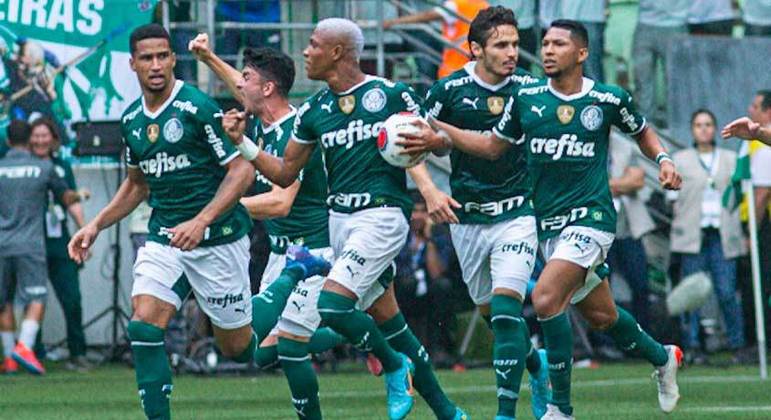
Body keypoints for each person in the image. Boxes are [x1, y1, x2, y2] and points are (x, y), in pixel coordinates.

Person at [398, 20, 684, 419]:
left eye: (558, 44)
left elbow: (643, 131)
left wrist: (665, 160)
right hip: (545, 224)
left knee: (546, 297)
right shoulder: (527, 101)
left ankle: (558, 410)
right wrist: (438, 131)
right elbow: (490, 146)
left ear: (582, 53)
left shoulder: (607, 98)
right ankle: (663, 356)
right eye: (545, 43)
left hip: (590, 218)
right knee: (602, 316)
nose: (546, 50)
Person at [66, 24, 328, 420]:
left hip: (219, 239)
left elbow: (241, 170)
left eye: (163, 56)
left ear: (173, 59)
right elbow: (136, 185)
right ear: (132, 64)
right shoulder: (132, 119)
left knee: (240, 348)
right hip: (165, 237)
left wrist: (203, 220)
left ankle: (293, 273)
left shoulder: (198, 108)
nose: (155, 65)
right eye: (147, 58)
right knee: (143, 328)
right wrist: (94, 225)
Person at [220, 17, 468, 420]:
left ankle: (391, 365)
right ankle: (448, 411)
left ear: (337, 52)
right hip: (341, 225)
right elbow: (283, 173)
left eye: (314, 44)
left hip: (381, 218)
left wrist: (433, 141)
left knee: (334, 305)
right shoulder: (315, 111)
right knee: (392, 325)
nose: (306, 51)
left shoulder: (389, 94)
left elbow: (439, 139)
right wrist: (243, 143)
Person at [189, 35, 347, 418]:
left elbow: (281, 201)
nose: (239, 84)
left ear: (268, 88)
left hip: (313, 252)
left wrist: (219, 209)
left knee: (290, 348)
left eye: (247, 78)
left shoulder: (297, 132)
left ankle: (359, 335)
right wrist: (208, 57)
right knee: (258, 352)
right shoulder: (260, 125)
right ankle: (356, 333)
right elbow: (240, 85)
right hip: (281, 254)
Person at [413, 6, 550, 420]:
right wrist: (431, 187)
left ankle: (505, 413)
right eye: (501, 45)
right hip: (467, 219)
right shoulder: (448, 90)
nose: (513, 52)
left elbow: (493, 144)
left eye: (515, 43)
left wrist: (442, 136)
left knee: (509, 307)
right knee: (496, 317)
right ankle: (535, 363)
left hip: (517, 214)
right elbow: (410, 140)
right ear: (475, 49)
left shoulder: (529, 88)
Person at [0, 119, 81, 375]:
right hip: (30, 246)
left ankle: (9, 359)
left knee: (5, 303)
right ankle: (24, 346)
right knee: (37, 297)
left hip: (2, 245)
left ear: (8, 141)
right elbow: (66, 198)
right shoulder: (44, 168)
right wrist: (84, 227)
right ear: (29, 140)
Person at [670, 109, 748, 364]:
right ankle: (692, 346)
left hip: (722, 233)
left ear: (715, 129)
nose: (703, 129)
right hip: (694, 234)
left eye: (708, 124)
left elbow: (740, 192)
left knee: (726, 291)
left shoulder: (729, 158)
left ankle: (737, 344)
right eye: (698, 125)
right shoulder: (680, 159)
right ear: (692, 130)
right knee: (693, 293)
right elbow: (671, 197)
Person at [28, 118, 91, 371]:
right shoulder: (22, 164)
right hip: (30, 242)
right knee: (33, 299)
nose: (41, 140)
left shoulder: (62, 165)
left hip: (59, 243)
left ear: (53, 139)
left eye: (45, 135)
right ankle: (33, 352)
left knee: (72, 298)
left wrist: (83, 234)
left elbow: (71, 201)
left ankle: (78, 352)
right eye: (36, 136)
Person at [607, 139, 655, 331]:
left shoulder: (625, 147)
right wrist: (622, 183)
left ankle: (641, 334)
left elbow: (637, 181)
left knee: (641, 283)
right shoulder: (581, 143)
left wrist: (605, 185)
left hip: (628, 228)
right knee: (601, 289)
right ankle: (605, 343)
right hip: (597, 228)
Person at [383, 0, 490, 79]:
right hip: (476, 62)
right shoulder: (484, 5)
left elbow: (428, 15)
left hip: (455, 63)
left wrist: (393, 22)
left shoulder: (456, 4)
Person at [632, 0, 689, 125]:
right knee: (642, 77)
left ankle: (675, 123)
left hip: (676, 22)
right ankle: (644, 123)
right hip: (645, 22)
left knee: (675, 80)